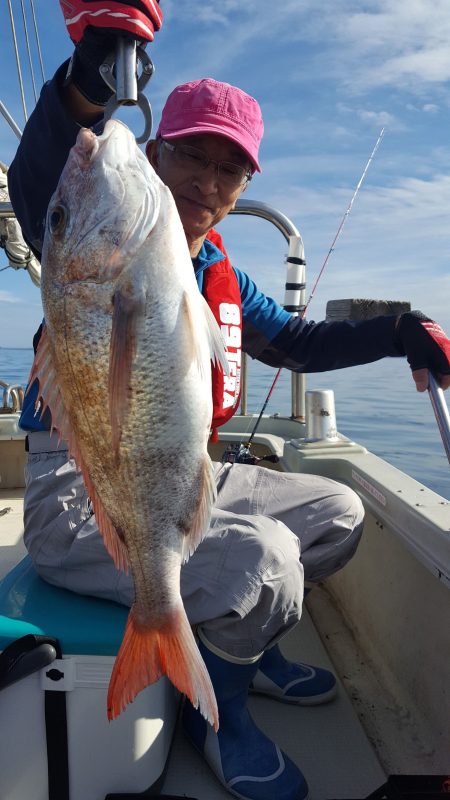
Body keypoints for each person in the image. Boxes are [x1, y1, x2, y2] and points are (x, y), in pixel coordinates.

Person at [8, 3, 450, 800]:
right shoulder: (86, 247)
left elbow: (302, 342)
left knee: (338, 512)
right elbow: (44, 175)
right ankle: (222, 715)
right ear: (152, 150)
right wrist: (88, 79)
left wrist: (398, 331)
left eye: (230, 170)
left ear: (246, 183)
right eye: (192, 158)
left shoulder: (214, 271)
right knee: (265, 560)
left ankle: (243, 641)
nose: (208, 184)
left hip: (180, 470)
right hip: (82, 494)